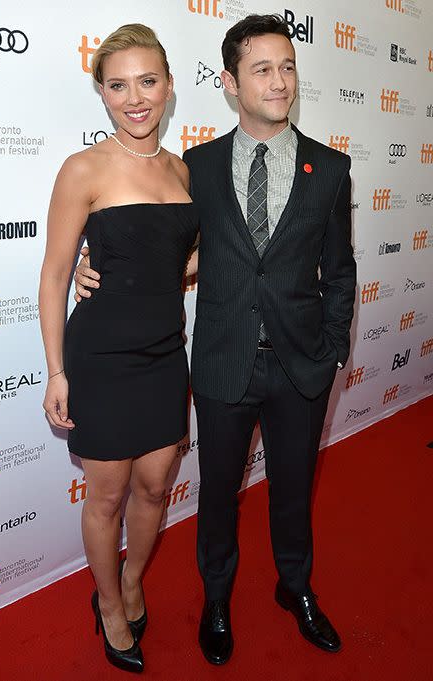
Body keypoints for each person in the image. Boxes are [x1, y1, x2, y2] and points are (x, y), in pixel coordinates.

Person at [74, 14, 356, 665]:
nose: (279, 81)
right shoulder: (193, 167)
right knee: (217, 494)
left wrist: (332, 349)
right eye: (262, 69)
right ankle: (217, 599)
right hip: (223, 363)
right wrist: (99, 267)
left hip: (301, 368)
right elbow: (161, 242)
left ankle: (296, 587)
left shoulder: (331, 168)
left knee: (293, 490)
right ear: (230, 82)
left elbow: (339, 272)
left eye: (287, 66)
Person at [39, 24, 198, 674]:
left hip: (165, 352)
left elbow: (181, 261)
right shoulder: (83, 168)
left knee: (156, 485)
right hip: (101, 357)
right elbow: (53, 276)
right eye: (118, 85)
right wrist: (55, 370)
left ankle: (134, 578)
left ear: (167, 86)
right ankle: (109, 602)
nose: (136, 98)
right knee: (105, 496)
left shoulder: (182, 168)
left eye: (148, 81)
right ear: (102, 94)